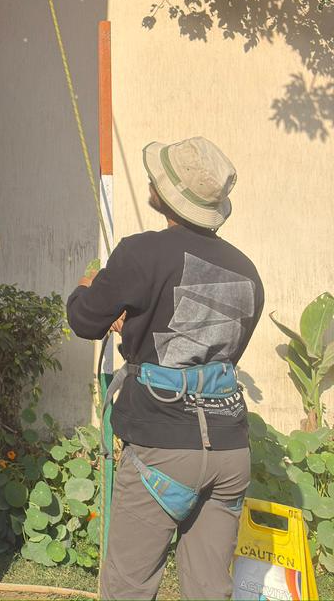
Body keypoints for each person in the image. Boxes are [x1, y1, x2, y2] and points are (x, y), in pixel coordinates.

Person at [66, 136, 264, 601]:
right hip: (230, 450)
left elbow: (85, 320)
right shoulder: (247, 270)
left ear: (168, 196)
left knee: (128, 589)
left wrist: (85, 287)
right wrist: (137, 325)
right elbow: (210, 351)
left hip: (162, 449)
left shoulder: (140, 252)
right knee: (209, 590)